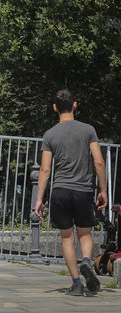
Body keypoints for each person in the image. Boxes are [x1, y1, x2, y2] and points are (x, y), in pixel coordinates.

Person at [34, 89, 107, 296]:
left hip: (60, 192)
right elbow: (98, 161)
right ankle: (86, 261)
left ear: (55, 108)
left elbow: (45, 169)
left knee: (66, 238)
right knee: (84, 233)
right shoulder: (88, 130)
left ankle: (76, 283)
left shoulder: (50, 135)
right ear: (75, 105)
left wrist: (40, 199)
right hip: (83, 190)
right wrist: (102, 190)